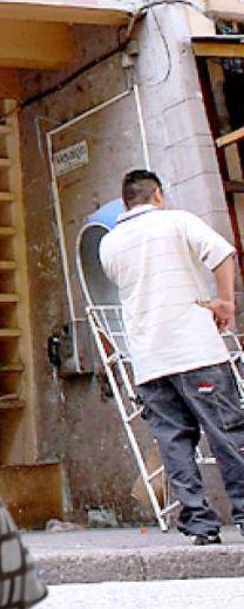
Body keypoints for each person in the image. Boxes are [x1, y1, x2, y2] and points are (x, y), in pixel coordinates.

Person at [99, 169, 244, 545]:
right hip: (194, 349)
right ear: (158, 195)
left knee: (174, 442)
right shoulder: (177, 221)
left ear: (126, 201)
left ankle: (200, 525)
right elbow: (223, 253)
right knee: (227, 434)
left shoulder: (110, 244)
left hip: (149, 360)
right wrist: (225, 302)